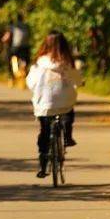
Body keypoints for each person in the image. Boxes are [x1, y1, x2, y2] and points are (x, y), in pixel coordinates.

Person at [26, 30, 81, 178]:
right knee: (68, 112)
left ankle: (43, 164)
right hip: (64, 101)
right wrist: (79, 83)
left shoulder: (39, 62)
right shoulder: (68, 62)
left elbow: (31, 82)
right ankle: (68, 136)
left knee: (44, 131)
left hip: (45, 103)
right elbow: (77, 80)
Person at [4, 13, 32, 85]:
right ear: (23, 18)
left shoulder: (13, 26)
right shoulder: (26, 26)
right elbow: (29, 36)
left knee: (10, 58)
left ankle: (12, 76)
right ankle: (23, 67)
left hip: (16, 47)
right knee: (24, 58)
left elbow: (7, 38)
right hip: (26, 47)